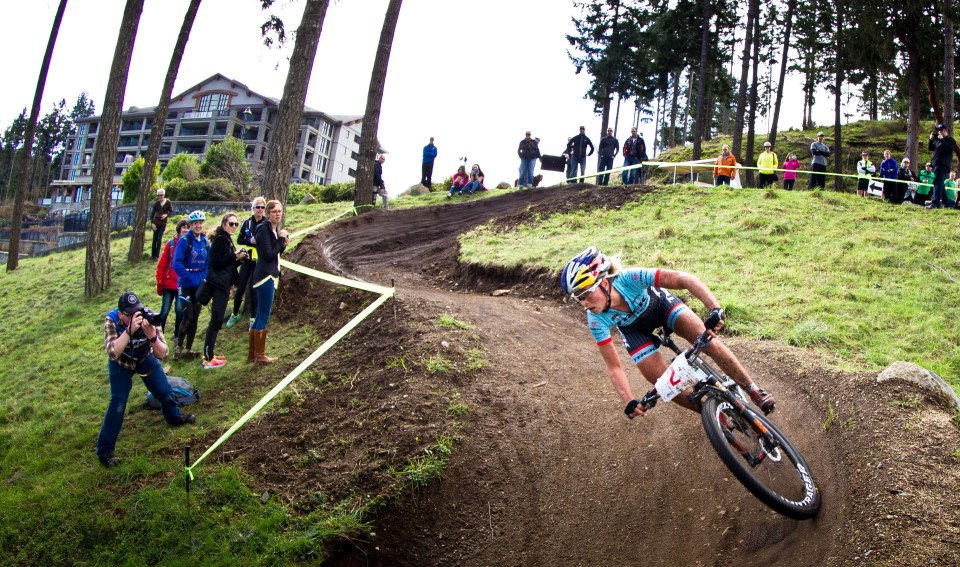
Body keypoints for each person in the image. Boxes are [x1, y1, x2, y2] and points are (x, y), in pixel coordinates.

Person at [560, 246, 777, 418]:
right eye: (578, 298)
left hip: (661, 307)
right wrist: (628, 400)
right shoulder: (595, 319)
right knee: (663, 386)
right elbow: (613, 366)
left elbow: (683, 279)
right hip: (635, 332)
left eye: (586, 294)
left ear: (605, 283)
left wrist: (714, 308)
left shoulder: (629, 278)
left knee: (707, 341)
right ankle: (714, 418)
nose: (584, 303)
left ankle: (754, 390)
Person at [96, 291, 195, 467]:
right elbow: (112, 352)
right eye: (130, 315)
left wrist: (152, 337)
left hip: (144, 358)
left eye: (137, 312)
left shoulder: (149, 317)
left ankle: (173, 417)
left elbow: (163, 353)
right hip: (121, 363)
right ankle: (104, 451)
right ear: (121, 314)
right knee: (118, 403)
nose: (136, 317)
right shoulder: (112, 319)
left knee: (164, 391)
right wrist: (128, 331)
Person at [202, 213, 247, 369]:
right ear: (223, 224)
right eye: (231, 224)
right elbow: (216, 263)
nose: (234, 226)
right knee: (216, 320)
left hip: (223, 284)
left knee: (217, 320)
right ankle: (208, 358)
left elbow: (227, 266)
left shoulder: (227, 239)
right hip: (218, 286)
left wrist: (239, 259)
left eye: (236, 224)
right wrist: (234, 256)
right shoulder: (221, 239)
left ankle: (210, 354)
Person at [249, 200, 288, 364]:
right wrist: (280, 240)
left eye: (279, 211)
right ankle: (260, 355)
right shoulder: (264, 229)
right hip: (265, 276)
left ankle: (253, 354)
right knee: (264, 315)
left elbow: (275, 252)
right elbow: (268, 254)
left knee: (260, 315)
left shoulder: (272, 229)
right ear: (267, 213)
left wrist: (282, 244)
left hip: (269, 273)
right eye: (274, 211)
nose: (277, 214)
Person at [172, 210, 209, 360]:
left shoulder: (205, 242)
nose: (198, 226)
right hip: (186, 284)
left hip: (199, 284)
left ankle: (188, 349)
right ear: (191, 225)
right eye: (195, 223)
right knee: (187, 316)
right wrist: (187, 276)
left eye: (200, 223)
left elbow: (208, 263)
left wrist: (203, 277)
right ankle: (178, 347)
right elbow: (176, 263)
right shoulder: (184, 241)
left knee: (195, 317)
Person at [227, 197, 267, 328]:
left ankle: (253, 318)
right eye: (257, 207)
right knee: (241, 288)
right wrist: (249, 241)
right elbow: (239, 239)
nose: (260, 210)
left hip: (259, 260)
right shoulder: (247, 222)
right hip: (247, 258)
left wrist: (258, 242)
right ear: (253, 208)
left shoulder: (266, 223)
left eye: (262, 207)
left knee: (254, 289)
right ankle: (234, 314)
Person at [156, 219, 189, 339]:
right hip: (168, 284)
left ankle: (177, 337)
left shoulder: (190, 245)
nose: (186, 230)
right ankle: (158, 336)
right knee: (164, 311)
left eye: (188, 228)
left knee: (180, 311)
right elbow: (162, 264)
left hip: (181, 285)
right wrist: (159, 281)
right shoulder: (170, 244)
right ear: (179, 229)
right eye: (184, 227)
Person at [927, 123, 957, 209]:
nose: (939, 132)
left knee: (937, 182)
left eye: (941, 130)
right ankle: (947, 204)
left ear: (946, 130)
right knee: (940, 184)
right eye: (938, 130)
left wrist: (942, 140)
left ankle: (935, 203)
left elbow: (949, 150)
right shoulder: (938, 140)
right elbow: (931, 148)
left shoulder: (950, 140)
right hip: (936, 164)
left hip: (943, 164)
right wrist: (931, 140)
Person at [150, 188, 173, 260]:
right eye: (158, 195)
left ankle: (157, 255)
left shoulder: (168, 202)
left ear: (164, 195)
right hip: (156, 223)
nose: (160, 197)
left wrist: (166, 215)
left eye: (161, 195)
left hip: (163, 223)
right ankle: (153, 255)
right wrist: (152, 223)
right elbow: (152, 215)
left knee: (159, 238)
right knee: (154, 239)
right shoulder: (156, 204)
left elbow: (171, 211)